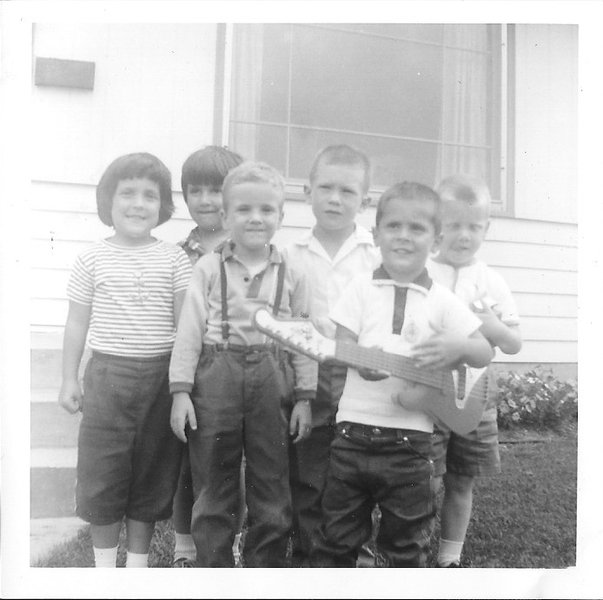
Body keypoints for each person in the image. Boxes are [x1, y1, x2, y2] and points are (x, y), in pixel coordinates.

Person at [309, 181, 494, 567]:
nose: (404, 236)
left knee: (406, 545)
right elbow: (342, 344)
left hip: (413, 444)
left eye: (417, 228)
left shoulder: (443, 300)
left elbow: (483, 351)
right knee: (336, 538)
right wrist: (360, 360)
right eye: (394, 226)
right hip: (352, 435)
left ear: (436, 240)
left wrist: (457, 346)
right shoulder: (360, 288)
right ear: (376, 234)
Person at [169, 161, 317, 567]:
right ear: (225, 216)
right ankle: (214, 569)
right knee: (213, 479)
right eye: (244, 209)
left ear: (280, 217)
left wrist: (305, 397)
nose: (255, 218)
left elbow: (304, 336)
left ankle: (262, 569)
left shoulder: (293, 271)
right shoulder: (208, 267)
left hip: (273, 379)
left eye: (266, 210)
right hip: (217, 377)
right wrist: (181, 392)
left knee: (271, 479)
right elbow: (189, 332)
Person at [58, 152, 192, 568]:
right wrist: (69, 378)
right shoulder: (91, 258)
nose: (138, 204)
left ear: (162, 205)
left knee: (151, 472)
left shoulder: (174, 258)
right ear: (108, 202)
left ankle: (136, 567)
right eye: (127, 193)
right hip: (107, 378)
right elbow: (76, 323)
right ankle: (104, 569)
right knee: (103, 473)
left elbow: (186, 326)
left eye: (149, 195)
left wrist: (184, 383)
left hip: (159, 379)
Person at [282, 144, 380, 566]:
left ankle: (357, 554)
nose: (335, 199)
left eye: (348, 191)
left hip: (358, 375)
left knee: (357, 468)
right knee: (308, 467)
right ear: (307, 192)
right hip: (310, 373)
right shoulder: (291, 254)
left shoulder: (376, 256)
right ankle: (309, 557)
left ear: (365, 201)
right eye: (325, 188)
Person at [427, 174, 522, 568]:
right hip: (429, 391)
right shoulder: (422, 272)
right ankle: (411, 543)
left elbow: (513, 343)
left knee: (462, 478)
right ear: (435, 224)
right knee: (425, 477)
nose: (463, 235)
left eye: (474, 226)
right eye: (453, 225)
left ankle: (450, 557)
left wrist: (492, 325)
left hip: (477, 394)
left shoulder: (491, 280)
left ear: (487, 228)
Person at [171, 145, 245, 567]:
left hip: (230, 372)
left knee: (226, 460)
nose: (205, 200)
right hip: (183, 368)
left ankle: (230, 540)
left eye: (216, 190)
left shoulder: (250, 250)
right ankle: (184, 547)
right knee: (184, 459)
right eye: (194, 190)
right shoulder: (177, 253)